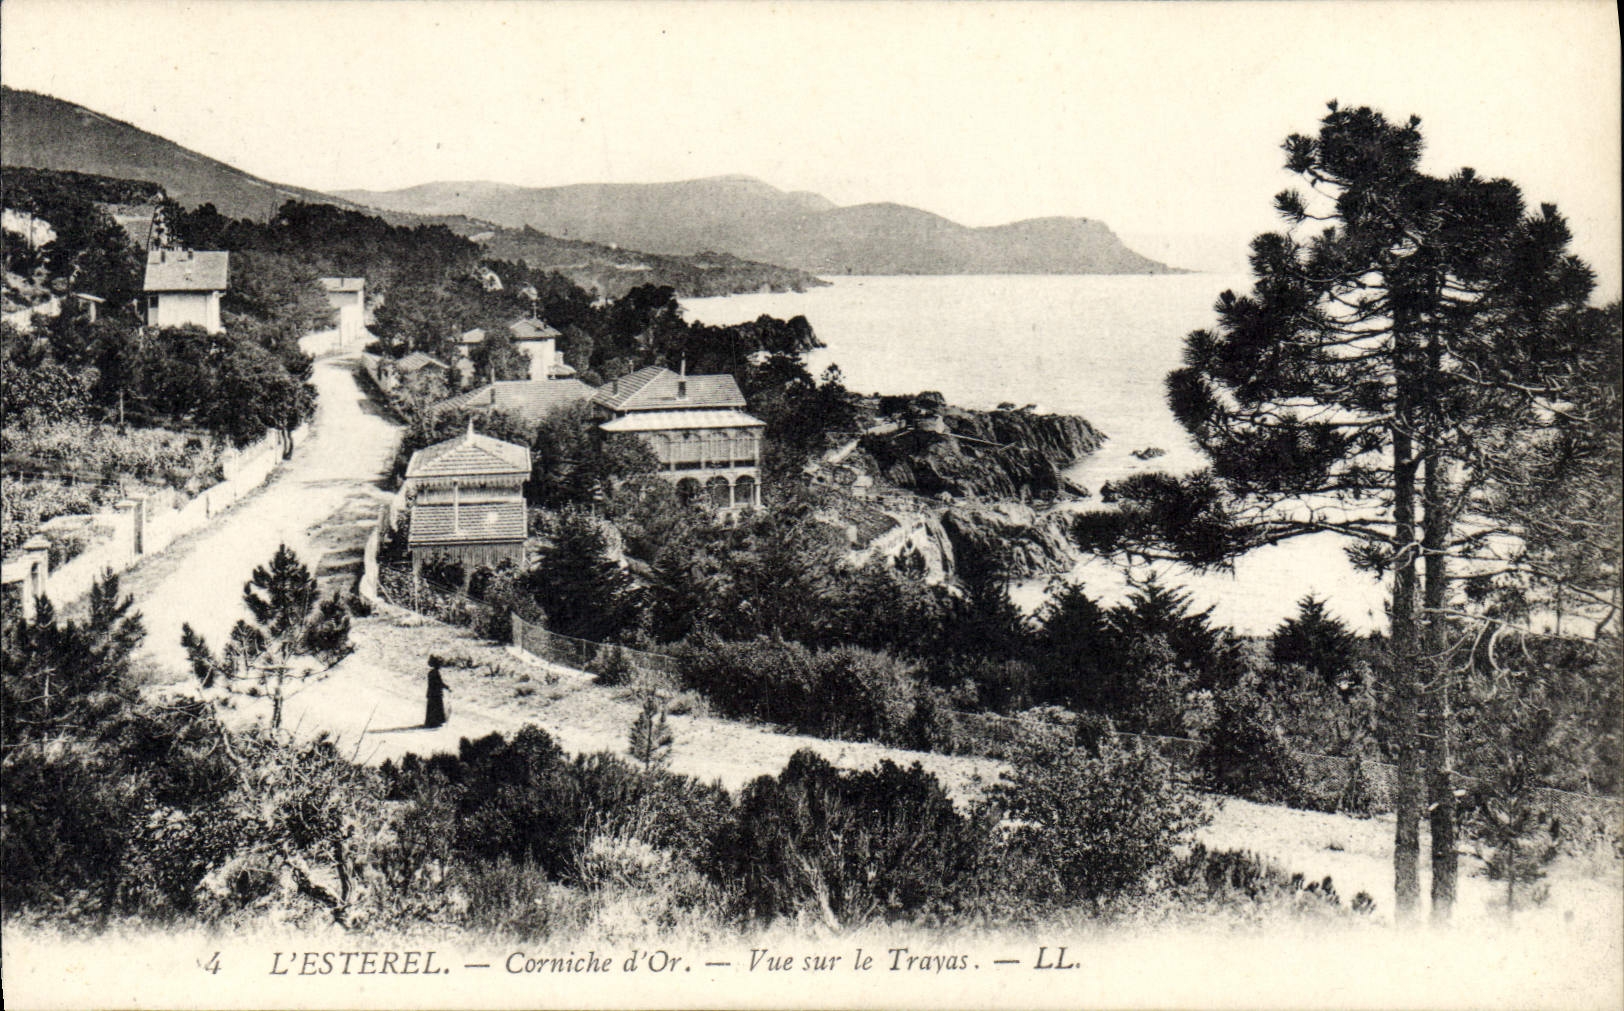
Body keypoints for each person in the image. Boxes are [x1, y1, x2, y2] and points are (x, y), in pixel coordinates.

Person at [425, 658, 450, 728]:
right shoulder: (436, 673)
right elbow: (439, 683)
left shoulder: (431, 673)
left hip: (431, 693)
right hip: (436, 693)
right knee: (436, 706)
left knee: (432, 707)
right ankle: (435, 722)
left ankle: (431, 722)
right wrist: (446, 687)